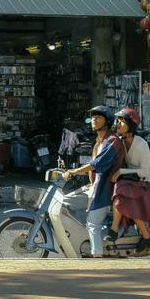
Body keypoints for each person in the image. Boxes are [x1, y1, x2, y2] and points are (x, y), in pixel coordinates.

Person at [109, 107, 150, 255]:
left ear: (131, 125)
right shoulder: (120, 142)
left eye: (122, 122)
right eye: (118, 122)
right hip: (133, 181)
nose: (118, 125)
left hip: (147, 184)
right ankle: (116, 228)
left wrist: (121, 172)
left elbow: (145, 171)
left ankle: (143, 234)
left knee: (125, 196)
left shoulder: (141, 144)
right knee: (118, 189)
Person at [61, 105, 124, 257]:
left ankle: (97, 256)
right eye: (93, 117)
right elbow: (92, 170)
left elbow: (96, 165)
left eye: (98, 117)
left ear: (107, 121)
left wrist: (74, 172)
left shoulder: (113, 141)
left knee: (93, 224)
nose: (94, 120)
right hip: (95, 187)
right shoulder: (98, 142)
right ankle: (86, 241)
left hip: (105, 190)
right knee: (64, 202)